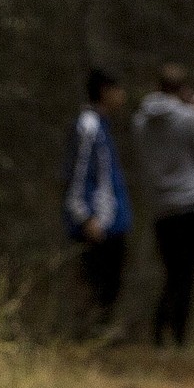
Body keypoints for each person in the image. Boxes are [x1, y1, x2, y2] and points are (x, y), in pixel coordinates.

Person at [132, 63, 194, 346]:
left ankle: (159, 329)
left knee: (169, 269)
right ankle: (178, 333)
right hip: (192, 202)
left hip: (161, 205)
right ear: (182, 89)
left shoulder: (140, 120)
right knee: (187, 271)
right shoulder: (189, 117)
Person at [63, 68, 133, 339]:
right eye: (117, 89)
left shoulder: (102, 126)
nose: (122, 96)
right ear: (105, 91)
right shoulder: (88, 127)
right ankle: (87, 338)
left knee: (109, 283)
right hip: (97, 222)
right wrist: (85, 216)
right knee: (95, 282)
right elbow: (77, 174)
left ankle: (99, 338)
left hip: (112, 221)